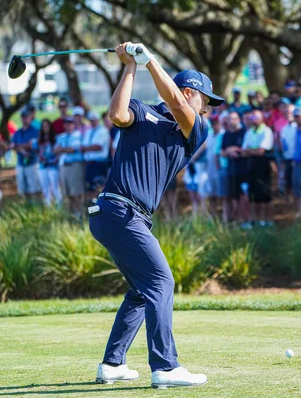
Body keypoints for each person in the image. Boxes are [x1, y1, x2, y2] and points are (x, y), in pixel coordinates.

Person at [89, 42, 219, 389]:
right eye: (205, 100)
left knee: (141, 289)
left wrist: (149, 61)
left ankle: (112, 364)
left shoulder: (195, 130)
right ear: (191, 91)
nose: (206, 109)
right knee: (161, 282)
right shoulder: (141, 111)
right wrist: (130, 66)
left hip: (124, 216)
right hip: (116, 210)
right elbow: (117, 115)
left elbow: (176, 104)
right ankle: (165, 366)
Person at [242, 109, 274, 227]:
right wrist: (253, 150)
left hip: (263, 166)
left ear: (262, 118)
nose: (254, 120)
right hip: (251, 166)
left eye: (256, 117)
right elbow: (244, 151)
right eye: (252, 118)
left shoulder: (267, 131)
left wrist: (250, 150)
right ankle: (256, 220)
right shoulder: (249, 132)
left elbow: (261, 151)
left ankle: (267, 221)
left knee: (265, 195)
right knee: (252, 195)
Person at [221, 111, 250, 227]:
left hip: (243, 169)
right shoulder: (226, 135)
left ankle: (246, 219)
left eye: (234, 119)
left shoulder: (244, 133)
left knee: (244, 196)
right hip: (231, 170)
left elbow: (245, 149)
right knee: (234, 196)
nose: (232, 121)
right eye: (230, 119)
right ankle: (238, 219)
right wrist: (230, 150)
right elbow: (222, 152)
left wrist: (233, 149)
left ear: (239, 120)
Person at [55, 117, 85, 218]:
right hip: (63, 166)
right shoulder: (61, 136)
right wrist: (64, 149)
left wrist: (62, 149)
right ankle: (73, 214)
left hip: (74, 165)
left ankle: (80, 213)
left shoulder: (78, 135)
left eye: (70, 123)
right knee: (67, 193)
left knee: (76, 192)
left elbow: (73, 149)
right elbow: (55, 150)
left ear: (73, 124)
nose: (68, 126)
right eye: (66, 124)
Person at [11, 109, 41, 201]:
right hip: (20, 163)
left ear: (30, 118)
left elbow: (34, 146)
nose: (24, 119)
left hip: (32, 162)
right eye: (23, 117)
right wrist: (23, 148)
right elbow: (13, 146)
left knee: (34, 188)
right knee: (22, 188)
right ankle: (27, 206)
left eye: (26, 117)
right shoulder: (18, 132)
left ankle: (36, 206)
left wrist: (19, 146)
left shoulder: (35, 131)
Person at [82, 111, 111, 203]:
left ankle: (100, 205)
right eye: (91, 120)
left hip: (99, 162)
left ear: (98, 120)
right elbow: (85, 146)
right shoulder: (88, 132)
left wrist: (86, 148)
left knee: (99, 186)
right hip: (89, 162)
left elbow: (97, 147)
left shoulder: (103, 130)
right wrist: (87, 148)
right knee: (90, 187)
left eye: (94, 120)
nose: (92, 122)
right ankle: (91, 207)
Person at [207, 115, 229, 223]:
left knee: (223, 195)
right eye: (212, 123)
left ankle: (225, 218)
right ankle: (213, 217)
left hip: (220, 167)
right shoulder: (209, 134)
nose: (214, 125)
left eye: (216, 122)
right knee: (212, 194)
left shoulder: (223, 134)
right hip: (210, 168)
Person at [38, 119, 62, 207]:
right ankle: (48, 206)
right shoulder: (40, 139)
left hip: (53, 166)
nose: (45, 128)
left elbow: (58, 151)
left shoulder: (56, 138)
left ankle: (59, 205)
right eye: (43, 126)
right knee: (45, 188)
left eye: (47, 126)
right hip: (42, 166)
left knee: (55, 187)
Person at [279, 105, 297, 203]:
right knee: (288, 184)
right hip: (287, 159)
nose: (288, 114)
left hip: (298, 160)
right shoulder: (284, 129)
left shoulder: (299, 127)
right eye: (286, 112)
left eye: (290, 112)